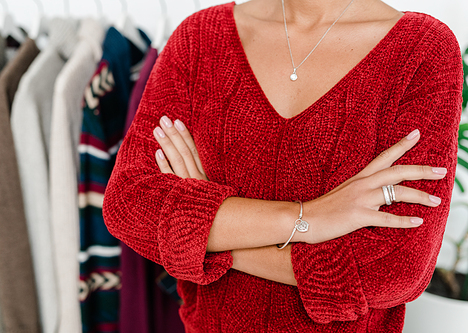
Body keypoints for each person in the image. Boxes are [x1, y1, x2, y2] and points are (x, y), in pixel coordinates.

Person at [103, 0, 463, 331]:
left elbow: (396, 269)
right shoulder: (200, 37)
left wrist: (210, 235)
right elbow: (127, 203)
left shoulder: (422, 49)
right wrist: (309, 218)